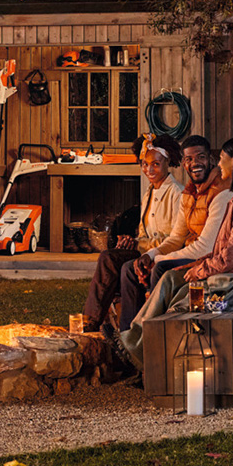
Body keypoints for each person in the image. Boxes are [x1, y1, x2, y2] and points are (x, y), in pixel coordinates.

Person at [119, 136, 233, 363]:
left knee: (175, 285)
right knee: (169, 278)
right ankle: (134, 339)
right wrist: (192, 264)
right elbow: (223, 249)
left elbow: (232, 255)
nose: (219, 164)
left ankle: (146, 347)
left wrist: (200, 269)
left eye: (222, 159)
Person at [115, 134, 233, 331]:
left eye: (201, 157)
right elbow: (176, 237)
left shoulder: (220, 192)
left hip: (209, 259)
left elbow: (206, 247)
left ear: (211, 160)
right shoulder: (189, 193)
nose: (195, 163)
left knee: (161, 269)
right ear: (183, 163)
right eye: (189, 159)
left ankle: (155, 333)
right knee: (130, 268)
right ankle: (127, 334)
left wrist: (159, 259)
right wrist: (149, 255)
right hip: (190, 255)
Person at [79, 134, 183, 332]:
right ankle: (90, 322)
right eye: (145, 164)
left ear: (167, 162)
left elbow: (176, 239)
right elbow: (144, 232)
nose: (149, 170)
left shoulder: (177, 193)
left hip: (162, 254)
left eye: (155, 164)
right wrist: (131, 241)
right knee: (108, 257)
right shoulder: (149, 192)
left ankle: (118, 329)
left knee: (122, 264)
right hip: (144, 250)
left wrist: (141, 246)